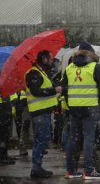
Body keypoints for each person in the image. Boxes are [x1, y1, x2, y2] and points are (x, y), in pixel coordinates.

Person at [62, 41, 100, 179]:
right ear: (91, 53)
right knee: (89, 138)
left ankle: (70, 170)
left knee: (73, 138)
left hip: (74, 108)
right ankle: (88, 171)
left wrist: (71, 105)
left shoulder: (69, 67)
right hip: (90, 108)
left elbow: (64, 89)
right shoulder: (95, 67)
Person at [25, 50, 61, 178]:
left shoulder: (40, 72)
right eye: (51, 59)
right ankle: (36, 167)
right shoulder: (33, 73)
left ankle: (37, 167)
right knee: (42, 139)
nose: (52, 62)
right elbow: (36, 91)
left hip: (43, 112)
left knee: (41, 139)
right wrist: (53, 90)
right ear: (45, 59)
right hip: (40, 113)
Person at [0, 93, 16, 165]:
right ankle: (2, 157)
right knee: (2, 135)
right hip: (2, 109)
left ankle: (4, 154)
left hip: (5, 109)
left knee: (5, 134)